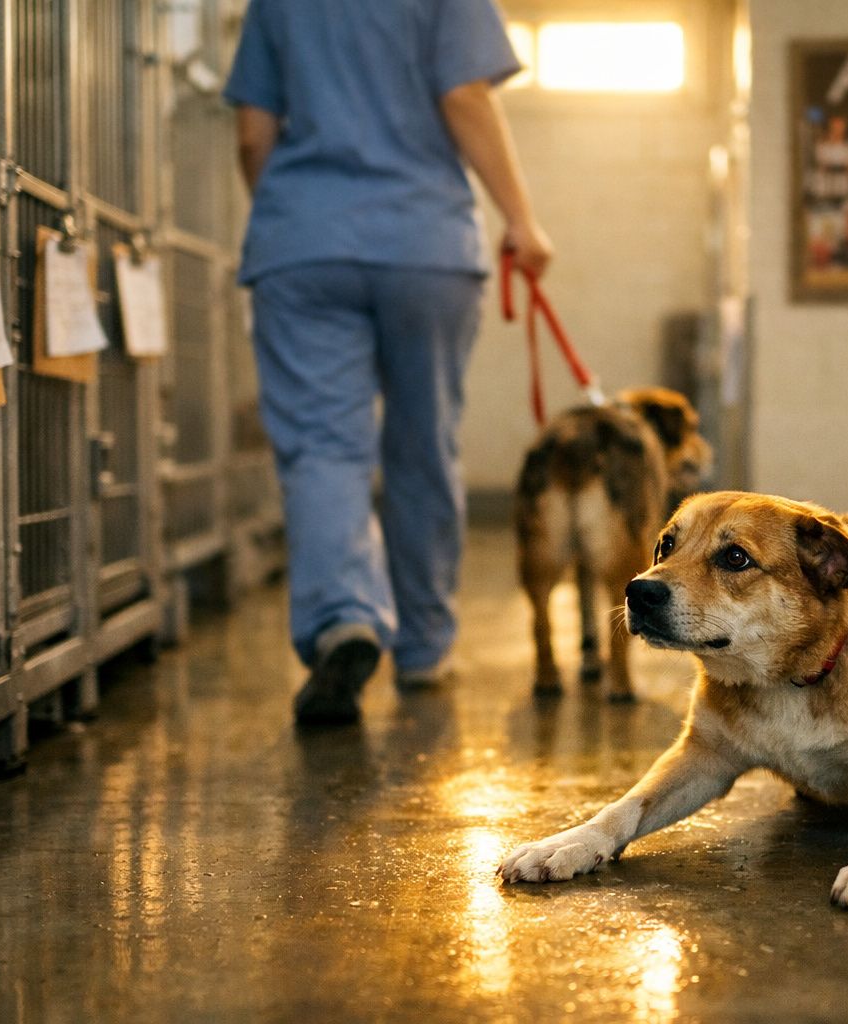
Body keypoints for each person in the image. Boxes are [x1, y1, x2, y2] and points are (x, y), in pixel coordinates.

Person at [224, 0, 553, 725]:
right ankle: (425, 646)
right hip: (425, 243)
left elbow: (253, 136)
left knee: (322, 448)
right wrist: (521, 220)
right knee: (423, 444)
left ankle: (345, 616)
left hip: (302, 243)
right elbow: (464, 94)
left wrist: (301, 216)